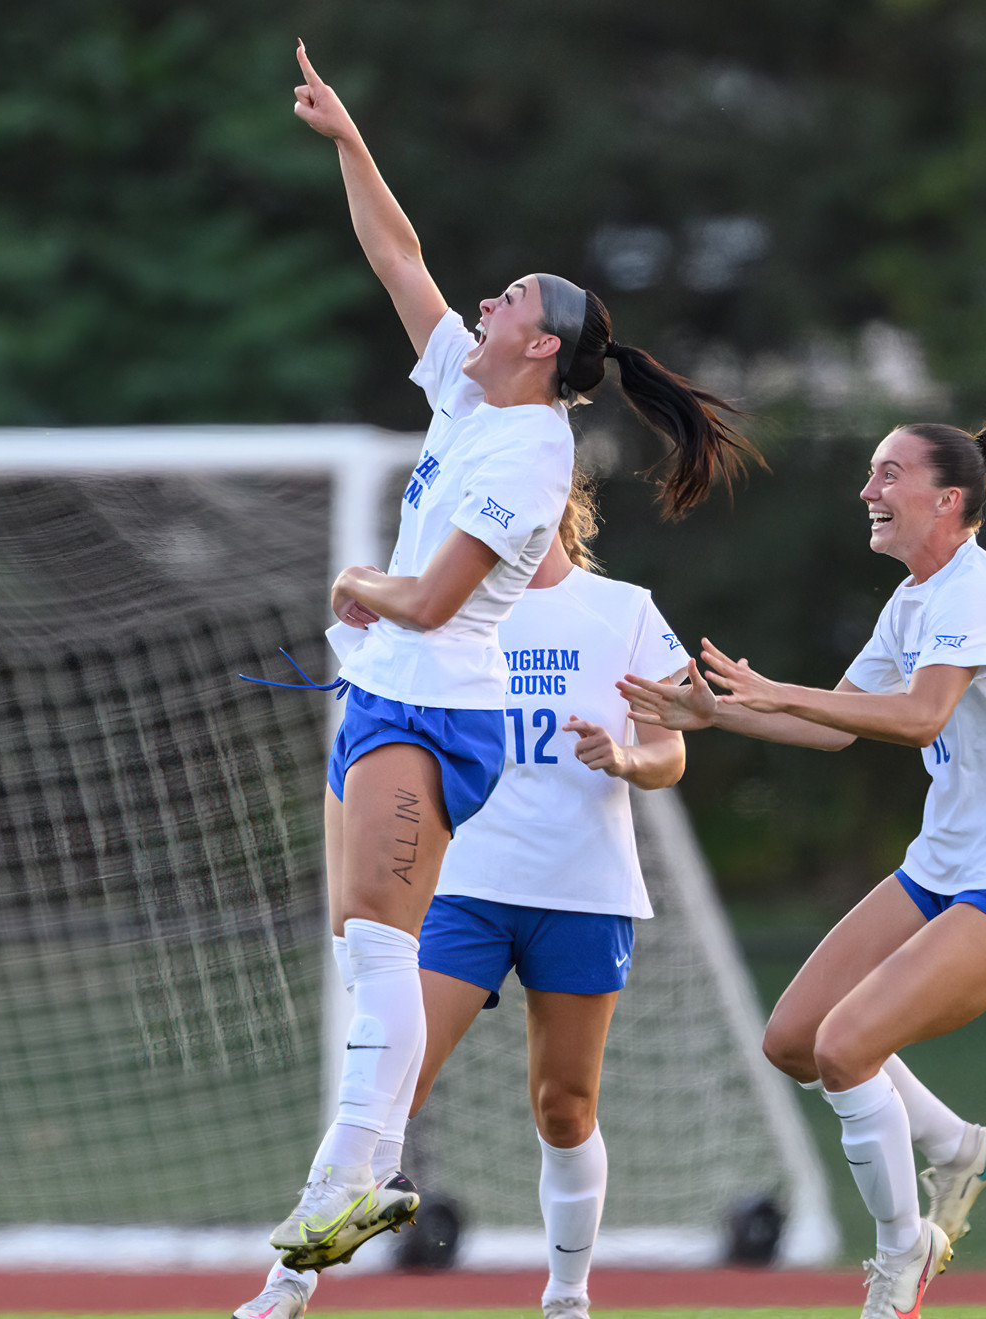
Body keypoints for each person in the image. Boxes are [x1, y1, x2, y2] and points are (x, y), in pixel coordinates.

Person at [256, 39, 758, 1289]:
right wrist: (351, 140)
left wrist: (355, 583)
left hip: (434, 711)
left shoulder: (527, 457)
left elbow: (426, 603)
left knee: (387, 969)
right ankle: (317, 1240)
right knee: (365, 959)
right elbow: (399, 258)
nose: (487, 302)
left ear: (542, 348)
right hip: (386, 697)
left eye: (513, 301)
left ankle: (343, 1216)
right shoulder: (474, 403)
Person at [620, 423, 986, 1319]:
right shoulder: (914, 600)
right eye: (871, 473)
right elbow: (839, 723)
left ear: (948, 499)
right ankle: (956, 1147)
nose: (868, 490)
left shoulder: (978, 591)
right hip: (943, 867)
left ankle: (901, 1261)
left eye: (888, 474)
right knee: (794, 1040)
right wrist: (719, 713)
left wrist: (776, 689)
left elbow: (915, 716)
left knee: (845, 1047)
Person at [238, 478, 688, 1319]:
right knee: (388, 1080)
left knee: (565, 1105)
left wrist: (627, 759)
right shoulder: (445, 611)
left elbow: (669, 752)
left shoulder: (621, 607)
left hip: (581, 892)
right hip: (463, 890)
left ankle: (566, 1299)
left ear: (551, 499)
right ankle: (285, 1286)